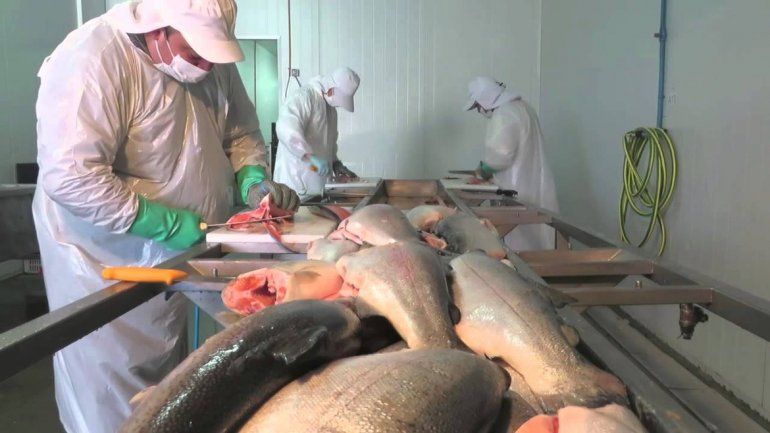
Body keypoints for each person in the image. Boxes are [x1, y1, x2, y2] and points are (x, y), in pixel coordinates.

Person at [32, 0, 298, 431]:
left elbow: (241, 132)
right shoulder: (93, 58)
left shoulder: (208, 59)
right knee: (117, 388)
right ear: (158, 30)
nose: (205, 67)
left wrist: (252, 179)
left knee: (179, 385)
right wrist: (163, 223)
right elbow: (71, 176)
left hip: (184, 257)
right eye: (195, 55)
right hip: (107, 263)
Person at [465, 76, 559, 251]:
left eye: (477, 106)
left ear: (485, 100)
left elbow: (500, 156)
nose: (479, 111)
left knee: (519, 247)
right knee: (538, 243)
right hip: (535, 186)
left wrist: (482, 172)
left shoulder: (504, 114)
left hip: (518, 192)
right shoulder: (523, 107)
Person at [273, 67, 361, 197]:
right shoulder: (304, 97)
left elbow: (330, 143)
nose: (338, 105)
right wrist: (309, 157)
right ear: (331, 90)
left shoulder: (331, 110)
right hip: (294, 184)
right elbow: (286, 129)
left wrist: (335, 163)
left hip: (318, 186)